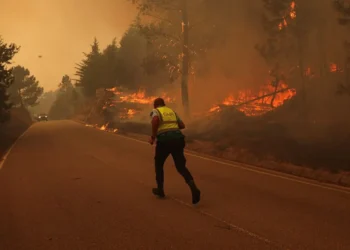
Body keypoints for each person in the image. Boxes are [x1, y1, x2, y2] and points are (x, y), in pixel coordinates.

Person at [149, 97, 201, 204]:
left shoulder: (156, 111)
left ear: (155, 105)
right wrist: (172, 128)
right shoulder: (172, 111)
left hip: (164, 140)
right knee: (181, 166)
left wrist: (153, 136)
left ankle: (160, 190)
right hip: (178, 139)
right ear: (164, 104)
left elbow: (155, 120)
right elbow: (182, 125)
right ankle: (193, 187)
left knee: (159, 164)